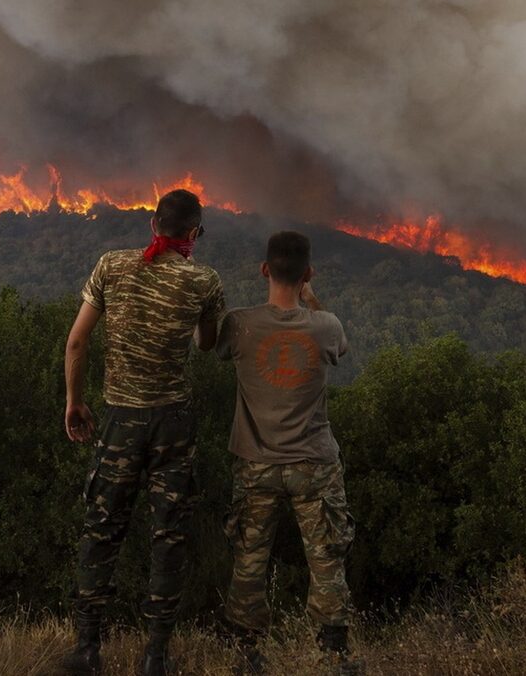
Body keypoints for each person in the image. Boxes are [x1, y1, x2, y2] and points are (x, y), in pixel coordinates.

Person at [61, 189, 225, 676]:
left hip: (119, 420)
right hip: (172, 423)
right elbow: (207, 343)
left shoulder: (111, 266)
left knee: (101, 531)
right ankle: (156, 656)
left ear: (154, 225)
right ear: (193, 234)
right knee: (168, 536)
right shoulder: (204, 280)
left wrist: (74, 401)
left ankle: (88, 650)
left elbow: (76, 340)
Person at [215, 231, 361, 675]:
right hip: (313, 465)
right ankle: (333, 656)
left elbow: (213, 347)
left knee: (250, 556)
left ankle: (245, 655)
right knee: (325, 557)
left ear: (264, 270)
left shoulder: (238, 324)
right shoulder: (326, 326)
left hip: (256, 464)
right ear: (308, 274)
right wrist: (312, 301)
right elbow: (342, 348)